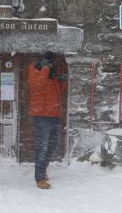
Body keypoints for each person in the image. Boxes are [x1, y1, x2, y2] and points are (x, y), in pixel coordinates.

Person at [28, 51, 67, 189]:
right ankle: (39, 178)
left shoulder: (51, 73)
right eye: (49, 62)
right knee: (42, 145)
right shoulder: (34, 69)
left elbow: (56, 93)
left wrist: (62, 81)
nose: (51, 65)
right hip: (41, 115)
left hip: (54, 114)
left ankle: (43, 169)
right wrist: (45, 69)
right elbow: (37, 87)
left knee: (54, 144)